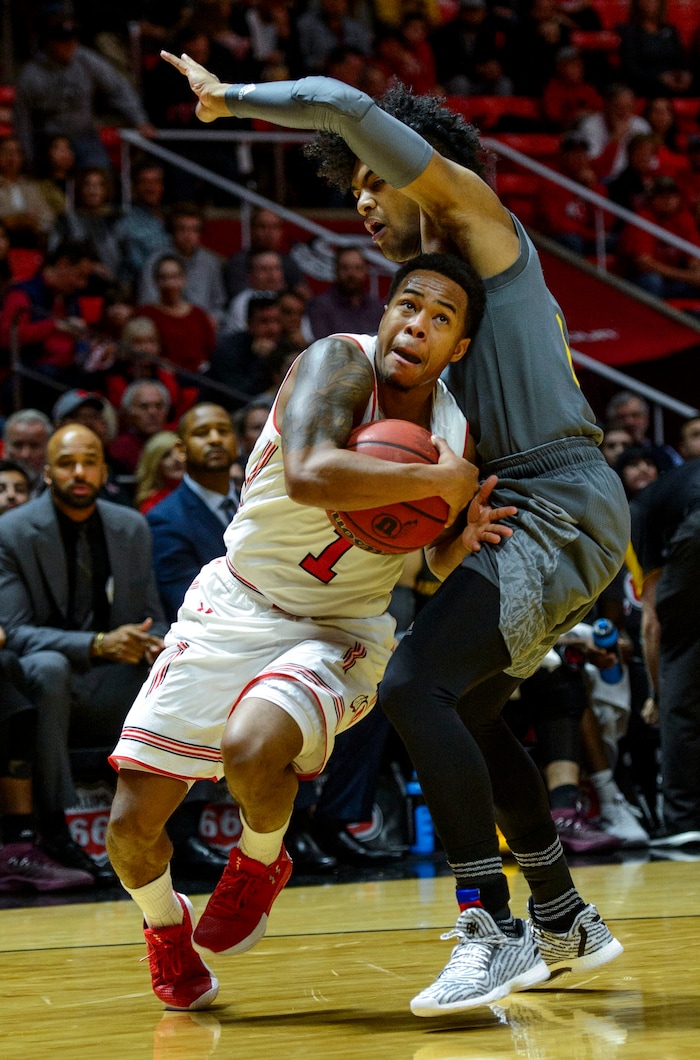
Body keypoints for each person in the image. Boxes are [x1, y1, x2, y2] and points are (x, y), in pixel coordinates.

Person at [161, 53, 630, 1014]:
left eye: (377, 182)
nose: (366, 204)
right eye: (358, 192)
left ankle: (487, 928)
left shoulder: (481, 222)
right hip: (540, 495)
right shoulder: (444, 307)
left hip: (563, 497)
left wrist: (229, 100)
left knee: (416, 684)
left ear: (426, 171)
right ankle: (563, 913)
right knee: (467, 708)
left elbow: (337, 103)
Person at [105, 251, 518, 1011]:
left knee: (253, 746)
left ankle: (261, 861)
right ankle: (166, 926)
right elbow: (307, 472)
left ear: (458, 348)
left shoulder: (456, 429)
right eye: (407, 304)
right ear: (384, 312)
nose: (415, 324)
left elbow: (418, 556)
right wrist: (439, 483)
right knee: (129, 828)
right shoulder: (338, 361)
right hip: (238, 600)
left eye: (440, 318)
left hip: (340, 627)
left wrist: (455, 539)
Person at [0, 423, 167, 884]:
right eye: (67, 462)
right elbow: (12, 633)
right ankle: (55, 830)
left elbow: (155, 614)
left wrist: (156, 643)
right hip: (51, 679)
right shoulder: (12, 531)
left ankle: (182, 828)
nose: (79, 471)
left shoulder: (130, 527)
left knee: (174, 668)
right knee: (48, 668)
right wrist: (96, 644)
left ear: (103, 469)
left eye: (89, 461)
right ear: (48, 472)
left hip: (116, 674)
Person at [629, 457, 700, 847]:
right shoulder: (677, 483)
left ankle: (683, 817)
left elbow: (653, 624)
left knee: (680, 668)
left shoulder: (638, 512)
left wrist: (658, 694)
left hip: (696, 528)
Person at [13, 15, 156, 170]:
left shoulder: (86, 60)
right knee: (48, 170)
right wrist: (27, 155)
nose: (69, 46)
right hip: (48, 138)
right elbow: (22, 119)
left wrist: (139, 120)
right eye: (63, 41)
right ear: (50, 42)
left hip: (84, 134)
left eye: (72, 40)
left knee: (99, 172)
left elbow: (118, 87)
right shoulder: (31, 74)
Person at [146, 403, 240, 622]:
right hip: (213, 635)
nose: (215, 439)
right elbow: (188, 602)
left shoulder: (258, 501)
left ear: (236, 443)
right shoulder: (164, 519)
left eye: (223, 431)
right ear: (181, 449)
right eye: (202, 433)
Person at [137, 202, 227, 324]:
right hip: (165, 324)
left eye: (194, 230)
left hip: (201, 326)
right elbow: (147, 303)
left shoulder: (211, 263)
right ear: (172, 231)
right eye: (182, 229)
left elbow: (219, 304)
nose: (188, 235)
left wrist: (213, 318)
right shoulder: (154, 261)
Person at [137, 253, 217, 379]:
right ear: (155, 281)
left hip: (200, 378)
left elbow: (211, 351)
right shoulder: (146, 314)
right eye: (164, 278)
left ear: (183, 279)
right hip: (161, 378)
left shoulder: (198, 314)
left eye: (175, 277)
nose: (170, 284)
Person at [307, 245, 384, 341]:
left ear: (365, 271)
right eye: (345, 268)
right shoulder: (321, 306)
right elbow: (323, 345)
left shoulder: (378, 308)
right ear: (336, 270)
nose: (351, 274)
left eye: (357, 268)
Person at [604, 389, 681, 472]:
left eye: (635, 415)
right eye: (622, 417)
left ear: (646, 418)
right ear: (611, 421)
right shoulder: (604, 454)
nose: (630, 422)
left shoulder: (665, 452)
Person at [108, 379, 172, 477]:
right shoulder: (119, 450)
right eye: (144, 407)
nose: (153, 413)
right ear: (128, 412)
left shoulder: (175, 443)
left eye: (159, 406)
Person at [1, 409, 52, 495]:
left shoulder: (56, 488)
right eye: (18, 445)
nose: (25, 455)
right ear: (5, 447)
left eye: (34, 446)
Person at [134, 430, 185, 515]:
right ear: (154, 465)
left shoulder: (199, 492)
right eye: (166, 455)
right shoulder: (151, 506)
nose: (176, 459)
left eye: (180, 452)